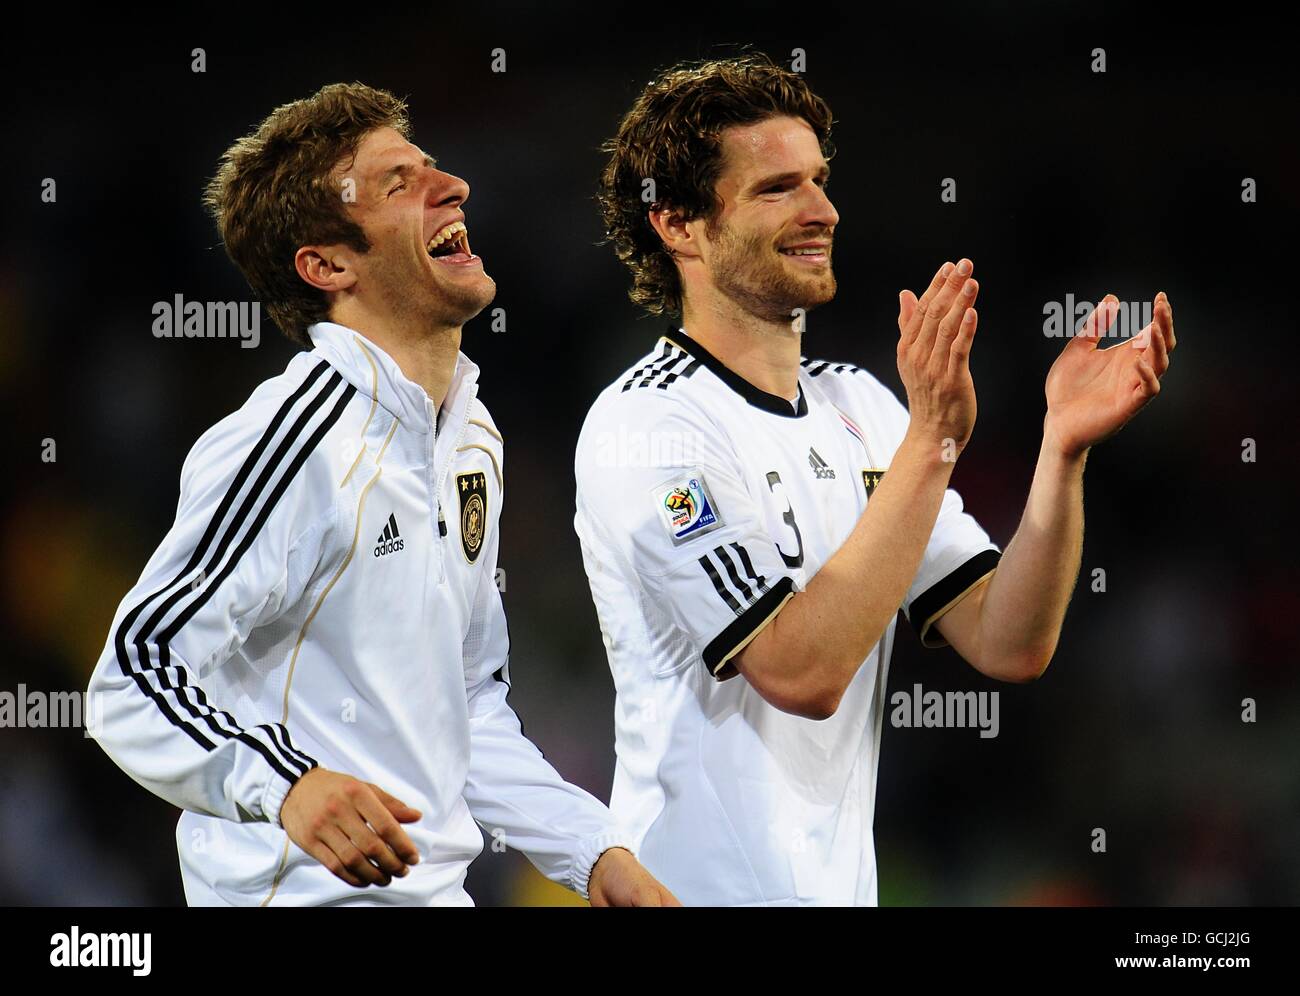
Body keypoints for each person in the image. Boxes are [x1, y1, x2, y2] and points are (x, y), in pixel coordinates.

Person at [573, 54, 1175, 905]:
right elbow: (801, 672)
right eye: (776, 188)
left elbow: (1009, 639)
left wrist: (1061, 450)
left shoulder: (859, 403)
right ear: (678, 224)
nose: (823, 209)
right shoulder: (648, 428)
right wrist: (932, 438)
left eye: (819, 180)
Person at [87, 82, 677, 907]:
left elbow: (466, 706)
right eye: (399, 184)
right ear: (328, 265)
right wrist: (287, 786)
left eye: (432, 167)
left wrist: (594, 852)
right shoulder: (291, 442)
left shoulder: (471, 440)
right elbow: (135, 672)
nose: (454, 186)